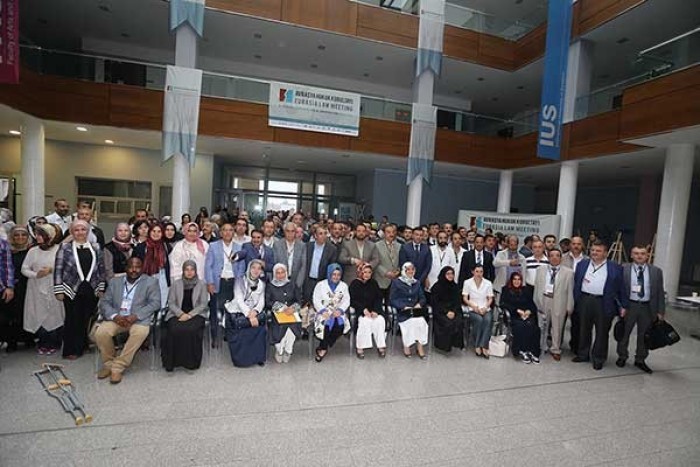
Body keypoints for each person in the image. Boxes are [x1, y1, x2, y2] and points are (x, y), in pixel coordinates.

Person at [95, 257, 160, 383]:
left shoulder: (151, 282)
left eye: (137, 267)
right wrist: (115, 316)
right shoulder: (115, 282)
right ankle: (108, 364)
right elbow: (105, 302)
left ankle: (118, 367)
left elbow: (155, 303)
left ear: (142, 268)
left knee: (140, 333)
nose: (134, 270)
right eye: (131, 267)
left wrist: (135, 316)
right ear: (126, 268)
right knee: (101, 332)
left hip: (138, 319)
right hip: (117, 319)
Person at [54, 220, 106, 359]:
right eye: (76, 230)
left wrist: (101, 287)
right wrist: (58, 290)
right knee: (72, 318)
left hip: (91, 288)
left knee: (86, 318)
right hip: (71, 288)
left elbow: (101, 268)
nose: (80, 232)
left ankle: (82, 345)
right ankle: (71, 350)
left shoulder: (95, 247)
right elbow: (58, 269)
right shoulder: (65, 247)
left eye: (83, 229)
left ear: (87, 231)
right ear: (72, 232)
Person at [573, 240, 628, 370]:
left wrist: (623, 306)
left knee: (602, 331)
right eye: (592, 250)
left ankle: (598, 358)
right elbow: (576, 282)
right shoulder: (582, 264)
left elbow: (621, 288)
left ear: (605, 253)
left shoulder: (615, 267)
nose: (594, 253)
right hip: (585, 300)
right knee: (583, 329)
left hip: (604, 302)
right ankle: (583, 354)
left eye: (598, 251)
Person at [616, 245, 665, 374]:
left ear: (647, 256)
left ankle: (640, 359)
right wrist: (620, 306)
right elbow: (618, 290)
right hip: (629, 306)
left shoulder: (656, 271)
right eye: (636, 253)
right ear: (631, 255)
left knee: (644, 335)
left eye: (642, 253)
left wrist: (661, 311)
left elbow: (660, 292)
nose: (639, 256)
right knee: (624, 332)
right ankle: (622, 356)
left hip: (647, 307)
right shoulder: (623, 268)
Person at [22, 224, 64, 355]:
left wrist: (51, 270)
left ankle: (55, 342)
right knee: (39, 313)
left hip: (54, 286)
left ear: (49, 236)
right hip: (36, 287)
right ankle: (43, 342)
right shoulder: (33, 251)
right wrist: (36, 275)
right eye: (37, 234)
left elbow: (65, 267)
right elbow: (24, 269)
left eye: (41, 234)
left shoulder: (59, 249)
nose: (37, 237)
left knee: (54, 314)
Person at [162, 260, 208, 372]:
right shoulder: (176, 284)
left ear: (195, 271)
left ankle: (191, 362)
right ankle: (172, 362)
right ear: (183, 271)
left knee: (191, 329)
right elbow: (171, 303)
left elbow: (203, 304)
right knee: (174, 328)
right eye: (187, 270)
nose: (189, 272)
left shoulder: (201, 284)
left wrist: (189, 315)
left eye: (192, 269)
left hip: (196, 314)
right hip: (177, 313)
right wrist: (181, 314)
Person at [204, 223, 243, 343]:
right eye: (225, 230)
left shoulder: (239, 247)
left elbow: (241, 266)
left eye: (230, 230)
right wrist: (210, 282)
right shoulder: (213, 246)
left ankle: (229, 334)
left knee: (232, 310)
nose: (227, 232)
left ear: (233, 233)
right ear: (220, 233)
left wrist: (239, 282)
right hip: (218, 281)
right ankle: (215, 336)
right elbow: (208, 266)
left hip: (233, 282)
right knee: (215, 309)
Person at [533, 249, 574, 361]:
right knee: (542, 325)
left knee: (557, 326)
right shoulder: (540, 270)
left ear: (561, 258)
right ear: (548, 257)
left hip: (559, 301)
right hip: (544, 299)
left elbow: (570, 291)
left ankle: (556, 349)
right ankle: (542, 345)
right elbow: (537, 287)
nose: (554, 258)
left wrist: (569, 306)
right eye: (552, 256)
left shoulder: (569, 273)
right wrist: (536, 301)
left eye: (557, 255)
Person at [225, 259, 267, 367]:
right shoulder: (240, 281)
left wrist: (255, 311)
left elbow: (261, 302)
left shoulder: (261, 284)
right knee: (244, 329)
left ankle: (257, 357)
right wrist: (249, 315)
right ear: (249, 268)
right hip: (238, 311)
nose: (256, 270)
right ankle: (241, 360)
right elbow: (239, 300)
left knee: (260, 329)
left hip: (253, 311)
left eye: (259, 268)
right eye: (253, 267)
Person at [1, 226, 34, 351]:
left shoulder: (32, 251)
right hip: (11, 287)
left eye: (23, 235)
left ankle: (28, 338)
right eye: (16, 235)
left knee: (27, 312)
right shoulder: (7, 251)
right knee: (11, 315)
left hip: (29, 287)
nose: (20, 237)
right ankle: (11, 341)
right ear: (12, 237)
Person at [312, 263, 350, 362]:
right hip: (323, 312)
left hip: (338, 312)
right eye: (334, 274)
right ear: (329, 274)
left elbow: (347, 300)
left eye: (338, 275)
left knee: (340, 326)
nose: (336, 277)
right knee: (326, 325)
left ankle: (324, 344)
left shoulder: (344, 286)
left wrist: (340, 310)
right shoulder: (320, 285)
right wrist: (322, 311)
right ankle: (323, 349)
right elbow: (316, 299)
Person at [500, 272, 540, 364]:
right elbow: (503, 304)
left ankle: (532, 352)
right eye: (515, 279)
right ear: (511, 280)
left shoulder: (525, 290)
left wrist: (529, 311)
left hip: (526, 315)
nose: (517, 281)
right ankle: (521, 351)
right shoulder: (506, 290)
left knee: (534, 328)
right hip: (513, 316)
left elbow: (532, 304)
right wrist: (517, 310)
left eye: (519, 279)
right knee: (521, 326)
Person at [390, 262, 428, 359]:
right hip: (403, 311)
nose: (411, 272)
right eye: (408, 270)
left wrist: (419, 304)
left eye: (413, 269)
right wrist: (403, 306)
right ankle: (406, 346)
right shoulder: (396, 282)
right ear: (404, 271)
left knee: (421, 322)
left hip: (415, 311)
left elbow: (423, 298)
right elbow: (392, 299)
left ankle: (420, 346)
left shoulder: (417, 283)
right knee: (410, 323)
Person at [266, 263, 302, 363]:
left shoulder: (292, 284)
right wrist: (281, 308)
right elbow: (267, 302)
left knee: (291, 330)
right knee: (280, 330)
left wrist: (293, 308)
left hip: (292, 313)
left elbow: (299, 300)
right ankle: (280, 351)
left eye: (282, 272)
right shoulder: (270, 286)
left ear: (286, 273)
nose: (280, 275)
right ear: (274, 274)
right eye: (278, 273)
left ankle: (288, 350)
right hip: (277, 314)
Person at [350, 263, 386, 359]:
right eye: (364, 272)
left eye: (369, 272)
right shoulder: (354, 284)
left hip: (374, 311)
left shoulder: (374, 283)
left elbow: (379, 298)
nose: (367, 274)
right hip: (361, 311)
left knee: (380, 321)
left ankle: (380, 346)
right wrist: (363, 310)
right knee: (365, 322)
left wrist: (376, 311)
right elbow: (353, 300)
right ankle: (360, 347)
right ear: (360, 272)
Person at [133, 223, 170, 309]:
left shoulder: (166, 246)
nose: (156, 234)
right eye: (154, 231)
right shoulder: (141, 247)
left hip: (162, 277)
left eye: (159, 231)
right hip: (145, 277)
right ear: (149, 232)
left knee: (161, 301)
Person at [561, 235, 587, 353]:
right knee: (560, 322)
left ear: (582, 245)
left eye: (578, 244)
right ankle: (557, 344)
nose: (576, 246)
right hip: (563, 294)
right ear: (570, 245)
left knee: (578, 323)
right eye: (574, 243)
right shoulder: (562, 258)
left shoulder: (587, 260)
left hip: (580, 296)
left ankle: (575, 346)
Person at [462, 264, 494, 358]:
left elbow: (490, 298)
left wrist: (485, 307)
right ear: (473, 272)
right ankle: (477, 345)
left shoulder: (488, 283)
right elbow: (465, 298)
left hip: (485, 307)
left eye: (481, 272)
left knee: (488, 320)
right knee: (479, 320)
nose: (479, 274)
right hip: (472, 308)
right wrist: (474, 307)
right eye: (477, 271)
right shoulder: (467, 282)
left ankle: (484, 346)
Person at [430, 266, 464, 354]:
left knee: (458, 321)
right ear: (443, 275)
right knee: (447, 323)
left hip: (454, 310)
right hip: (441, 311)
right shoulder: (437, 287)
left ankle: (454, 343)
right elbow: (435, 303)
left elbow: (458, 302)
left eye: (452, 274)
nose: (450, 276)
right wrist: (446, 312)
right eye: (448, 274)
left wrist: (453, 311)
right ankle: (443, 346)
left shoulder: (455, 286)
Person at [302, 225, 337, 303]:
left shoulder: (332, 249)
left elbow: (331, 268)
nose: (323, 236)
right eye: (320, 233)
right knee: (306, 303)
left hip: (322, 282)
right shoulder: (308, 246)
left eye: (325, 233)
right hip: (308, 281)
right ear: (315, 235)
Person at [272, 222, 307, 295]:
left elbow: (303, 266)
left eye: (292, 231)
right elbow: (275, 264)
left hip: (296, 281)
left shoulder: (302, 246)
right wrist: (279, 280)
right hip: (280, 281)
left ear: (295, 232)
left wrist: (298, 283)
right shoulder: (277, 245)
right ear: (284, 232)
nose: (290, 233)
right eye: (287, 231)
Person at [375, 223, 401, 301]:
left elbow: (401, 261)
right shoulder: (376, 245)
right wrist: (386, 272)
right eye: (388, 232)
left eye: (393, 232)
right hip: (381, 280)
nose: (391, 234)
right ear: (384, 233)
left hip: (395, 280)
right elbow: (375, 262)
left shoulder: (399, 246)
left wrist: (398, 271)